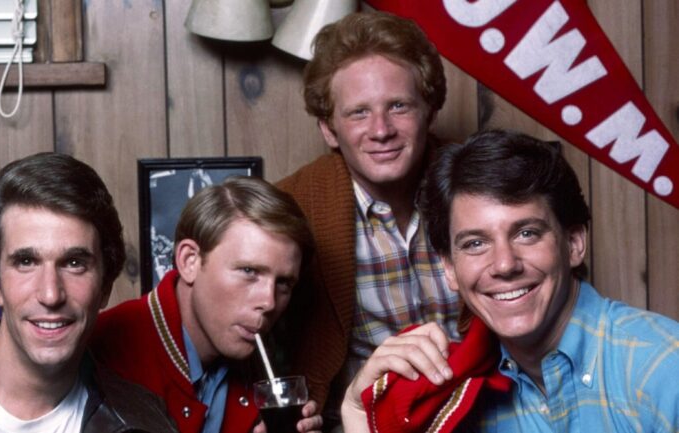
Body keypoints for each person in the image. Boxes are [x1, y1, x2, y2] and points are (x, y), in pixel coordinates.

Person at [344, 130, 679, 432]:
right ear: (449, 269)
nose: (504, 264)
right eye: (475, 243)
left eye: (527, 233)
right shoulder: (462, 400)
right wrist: (357, 410)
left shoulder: (664, 367)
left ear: (574, 243)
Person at [276, 10, 460, 421]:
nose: (381, 130)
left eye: (398, 106)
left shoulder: (478, 184)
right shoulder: (292, 206)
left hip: (485, 415)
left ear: (429, 110)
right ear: (328, 129)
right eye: (358, 112)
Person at [0, 153, 177, 432]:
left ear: (105, 287)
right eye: (26, 262)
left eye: (74, 264)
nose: (50, 294)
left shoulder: (149, 424)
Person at [90, 176, 323, 433]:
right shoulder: (100, 350)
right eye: (248, 271)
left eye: (284, 283)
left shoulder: (264, 361)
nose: (268, 302)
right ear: (190, 261)